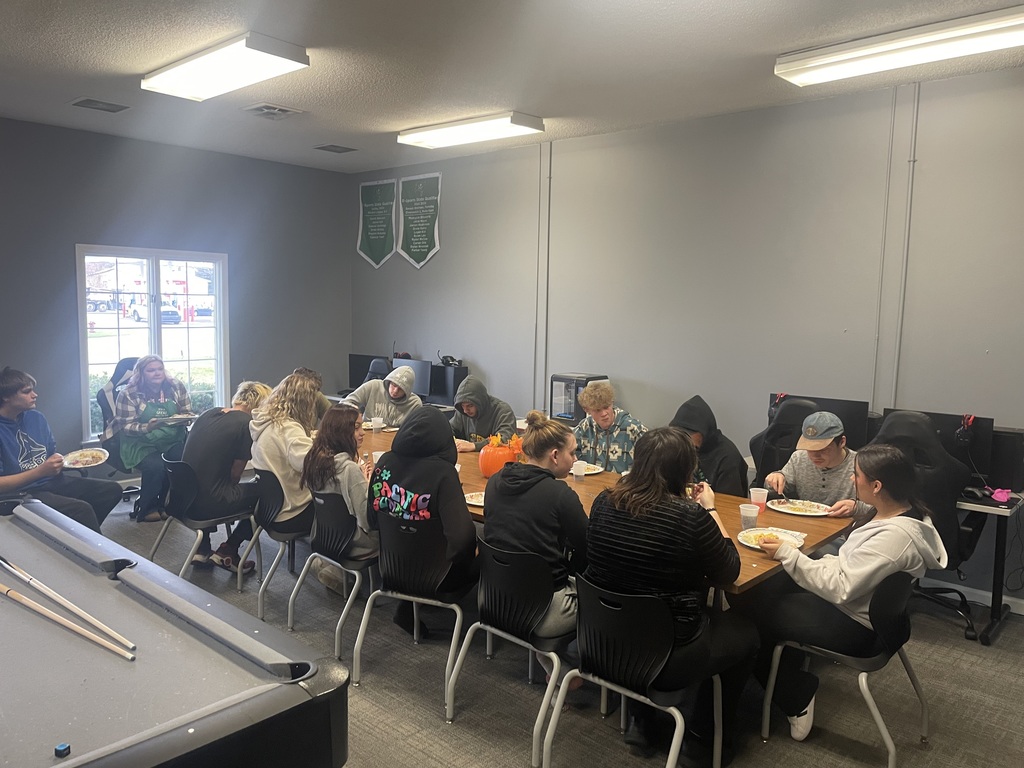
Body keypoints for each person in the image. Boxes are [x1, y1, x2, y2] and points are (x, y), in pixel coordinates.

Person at [730, 443, 947, 742]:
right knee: (763, 589)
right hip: (867, 611)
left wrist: (788, 554)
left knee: (745, 613)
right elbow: (852, 568)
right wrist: (803, 557)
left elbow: (841, 587)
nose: (851, 480)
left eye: (856, 476)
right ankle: (783, 667)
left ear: (877, 485)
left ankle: (796, 696)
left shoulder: (893, 539)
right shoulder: (903, 515)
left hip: (855, 626)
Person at [586, 427, 758, 768]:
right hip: (667, 652)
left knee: (638, 603)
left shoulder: (604, 502)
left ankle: (643, 723)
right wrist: (710, 511)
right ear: (686, 471)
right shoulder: (690, 518)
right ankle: (704, 740)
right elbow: (729, 571)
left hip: (603, 638)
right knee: (747, 636)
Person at [367, 406, 477, 637]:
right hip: (439, 578)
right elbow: (462, 540)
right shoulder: (443, 474)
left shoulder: (384, 463)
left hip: (389, 568)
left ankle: (408, 605)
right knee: (483, 543)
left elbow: (372, 519)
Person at [484, 410, 588, 640]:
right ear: (554, 455)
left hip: (494, 599)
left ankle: (552, 669)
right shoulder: (560, 494)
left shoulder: (495, 481)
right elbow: (588, 545)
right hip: (543, 611)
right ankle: (575, 669)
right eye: (572, 453)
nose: (575, 459)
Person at [0, 367, 122, 532]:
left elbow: (49, 457)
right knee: (81, 510)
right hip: (19, 493)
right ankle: (92, 547)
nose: (34, 395)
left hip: (51, 481)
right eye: (26, 391)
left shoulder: (36, 418)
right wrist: (41, 471)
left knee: (111, 490)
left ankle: (77, 536)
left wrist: (64, 463)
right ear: (6, 397)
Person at [180, 380, 272, 574]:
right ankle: (229, 549)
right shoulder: (245, 424)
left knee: (206, 479)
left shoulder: (209, 413)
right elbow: (235, 475)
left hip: (183, 499)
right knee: (268, 494)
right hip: (208, 504)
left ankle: (203, 548)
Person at [300, 403, 380, 593]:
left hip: (324, 537)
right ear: (339, 432)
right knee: (392, 527)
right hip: (353, 543)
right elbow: (367, 521)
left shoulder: (314, 459)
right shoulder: (348, 470)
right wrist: (368, 486)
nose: (362, 433)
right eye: (356, 428)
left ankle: (330, 566)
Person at [112, 355, 192, 523]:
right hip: (140, 441)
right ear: (141, 374)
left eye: (160, 369)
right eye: (151, 370)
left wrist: (183, 418)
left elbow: (187, 412)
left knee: (178, 461)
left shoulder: (175, 386)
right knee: (155, 465)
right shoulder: (128, 393)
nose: (157, 373)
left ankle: (165, 504)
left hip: (171, 438)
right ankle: (147, 508)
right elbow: (125, 426)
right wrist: (147, 427)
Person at [249, 372, 319, 535]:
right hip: (291, 513)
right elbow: (312, 466)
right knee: (342, 505)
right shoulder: (289, 429)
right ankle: (328, 557)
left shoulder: (265, 424)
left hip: (268, 510)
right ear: (304, 403)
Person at [764, 411, 868, 517]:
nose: (815, 456)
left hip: (845, 528)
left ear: (842, 442)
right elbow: (776, 491)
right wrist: (774, 480)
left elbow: (881, 508)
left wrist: (856, 508)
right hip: (805, 524)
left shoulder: (861, 465)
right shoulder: (799, 458)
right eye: (810, 448)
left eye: (823, 449)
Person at [669, 394, 749, 497]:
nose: (685, 438)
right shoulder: (675, 448)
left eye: (690, 433)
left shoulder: (728, 457)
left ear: (704, 432)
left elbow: (729, 503)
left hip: (715, 508)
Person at [572, 380, 647, 473]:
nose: (604, 414)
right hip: (590, 484)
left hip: (624, 485)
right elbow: (568, 451)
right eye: (597, 410)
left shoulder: (634, 428)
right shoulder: (584, 427)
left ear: (612, 403)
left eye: (606, 407)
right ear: (587, 410)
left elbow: (652, 461)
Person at [450, 375, 517, 452]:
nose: (465, 411)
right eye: (463, 406)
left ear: (480, 401)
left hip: (494, 459)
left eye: (470, 405)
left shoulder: (503, 411)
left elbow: (505, 439)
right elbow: (448, 429)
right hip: (469, 459)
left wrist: (474, 446)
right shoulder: (462, 412)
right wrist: (453, 441)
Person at [342, 365, 422, 427]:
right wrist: (354, 411)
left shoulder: (415, 403)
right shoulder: (373, 386)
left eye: (400, 389)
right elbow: (344, 403)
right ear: (389, 382)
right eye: (393, 385)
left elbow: (415, 430)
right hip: (367, 436)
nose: (395, 391)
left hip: (395, 441)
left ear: (407, 391)